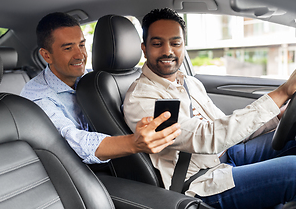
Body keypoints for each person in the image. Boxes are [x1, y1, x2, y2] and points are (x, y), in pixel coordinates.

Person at [123, 8, 296, 208]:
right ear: (144, 48)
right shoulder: (143, 98)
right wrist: (281, 92)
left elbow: (224, 125)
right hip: (202, 180)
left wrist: (279, 115)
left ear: (183, 46)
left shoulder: (189, 82)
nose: (168, 51)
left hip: (229, 153)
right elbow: (206, 136)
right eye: (157, 43)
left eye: (175, 43)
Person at [20, 12, 181, 164]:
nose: (80, 55)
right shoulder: (37, 97)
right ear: (47, 55)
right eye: (68, 48)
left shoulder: (95, 80)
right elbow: (71, 138)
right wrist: (133, 143)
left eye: (81, 45)